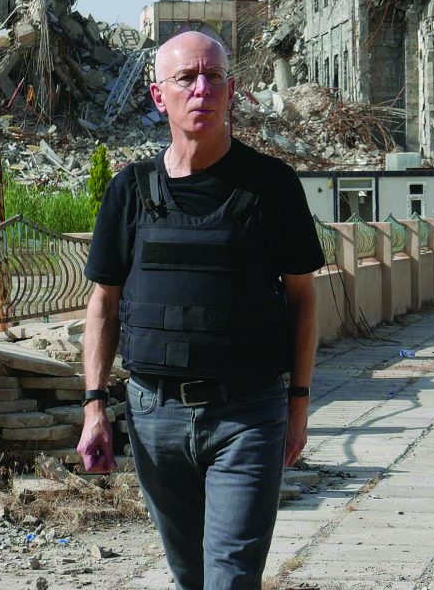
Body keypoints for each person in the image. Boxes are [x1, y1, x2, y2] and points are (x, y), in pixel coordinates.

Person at [77, 30, 323, 590]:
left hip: (248, 415)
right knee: (191, 576)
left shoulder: (272, 187)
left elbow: (305, 298)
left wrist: (299, 401)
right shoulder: (130, 190)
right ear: (158, 96)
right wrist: (94, 406)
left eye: (214, 77)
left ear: (232, 90)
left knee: (230, 577)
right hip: (154, 417)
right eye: (186, 78)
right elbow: (103, 305)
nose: (202, 89)